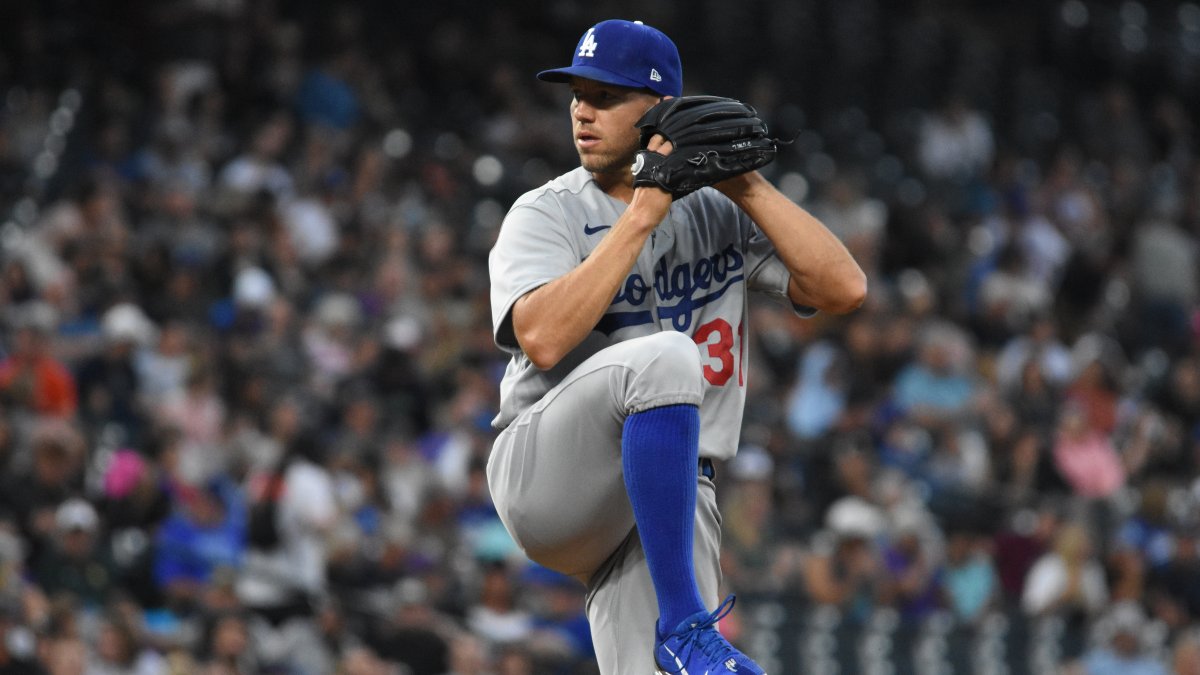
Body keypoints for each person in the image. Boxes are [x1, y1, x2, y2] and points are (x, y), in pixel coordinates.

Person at [486, 19, 865, 675]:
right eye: (577, 94)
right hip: (547, 471)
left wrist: (744, 183)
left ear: (660, 111)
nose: (581, 112)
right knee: (667, 358)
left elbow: (843, 287)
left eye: (604, 96)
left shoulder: (717, 211)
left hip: (662, 499)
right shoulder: (545, 212)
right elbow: (541, 339)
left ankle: (680, 634)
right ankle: (686, 622)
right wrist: (641, 213)